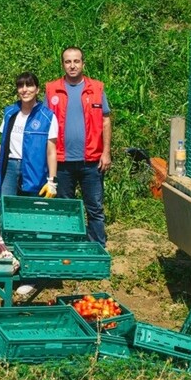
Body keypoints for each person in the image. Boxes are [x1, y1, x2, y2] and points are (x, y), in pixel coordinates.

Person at [46, 47, 112, 246]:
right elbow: (45, 123)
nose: (72, 65)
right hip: (62, 161)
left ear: (83, 63)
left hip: (91, 161)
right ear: (62, 65)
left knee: (95, 208)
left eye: (76, 61)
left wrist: (106, 152)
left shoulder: (97, 88)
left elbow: (106, 121)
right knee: (66, 208)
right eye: (68, 62)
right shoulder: (52, 89)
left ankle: (97, 247)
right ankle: (70, 245)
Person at [0, 72, 58, 199]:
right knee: (1, 206)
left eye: (29, 85)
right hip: (10, 167)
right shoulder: (10, 113)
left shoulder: (48, 116)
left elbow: (51, 152)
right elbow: (4, 146)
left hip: (35, 168)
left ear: (37, 89)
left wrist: (52, 181)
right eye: (20, 86)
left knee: (31, 209)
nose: (24, 90)